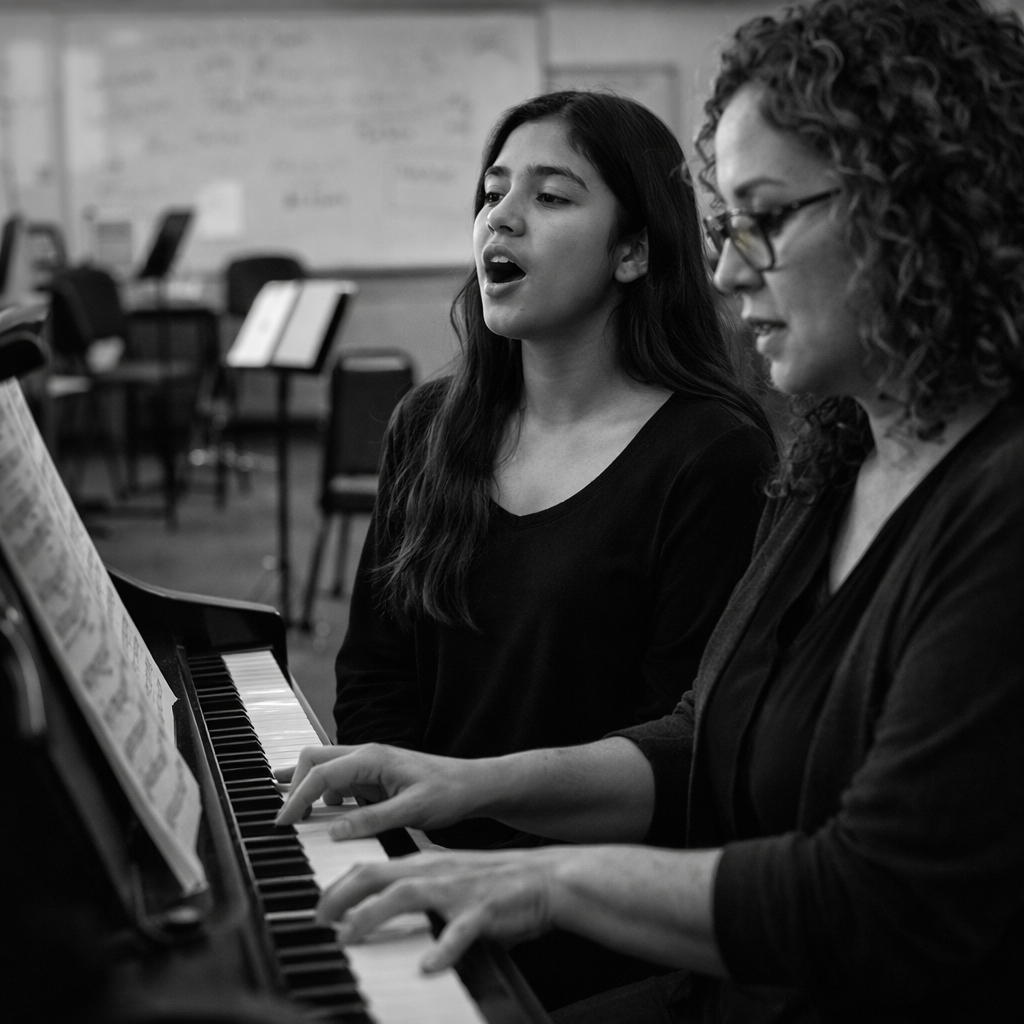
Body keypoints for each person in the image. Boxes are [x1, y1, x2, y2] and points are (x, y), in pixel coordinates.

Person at [280, 2, 1024, 1020]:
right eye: (723, 227)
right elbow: (701, 737)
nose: (724, 269)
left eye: (765, 219)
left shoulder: (994, 498)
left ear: (925, 210)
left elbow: (882, 898)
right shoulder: (833, 460)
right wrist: (468, 782)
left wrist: (539, 879)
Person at [333, 90, 774, 1006]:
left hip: (600, 922)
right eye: (493, 192)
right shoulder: (429, 427)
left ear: (635, 249)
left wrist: (480, 834)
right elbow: (377, 676)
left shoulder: (712, 453)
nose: (503, 215)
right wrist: (410, 849)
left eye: (553, 195)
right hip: (431, 872)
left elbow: (687, 753)